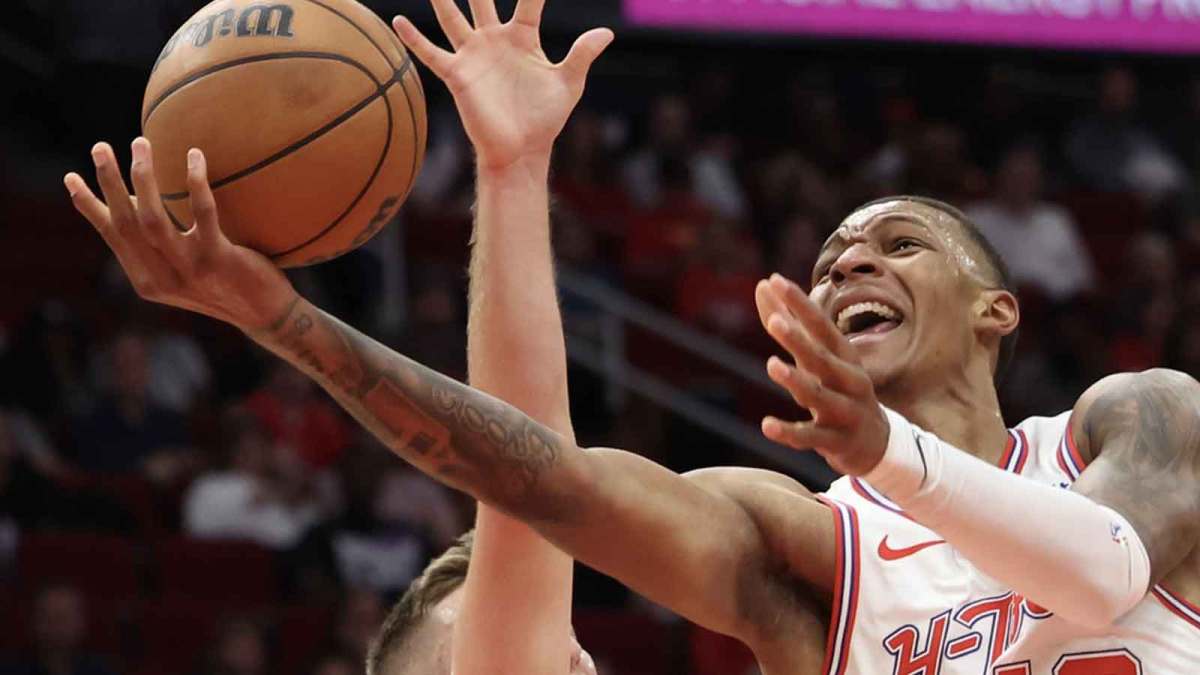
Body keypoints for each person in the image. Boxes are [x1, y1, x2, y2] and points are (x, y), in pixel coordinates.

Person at [65, 7, 1200, 675]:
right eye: (828, 260)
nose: (851, 262)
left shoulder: (1135, 418)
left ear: (998, 307)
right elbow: (538, 483)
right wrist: (282, 317)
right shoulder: (795, 546)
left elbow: (1106, 574)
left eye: (898, 244)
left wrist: (888, 456)